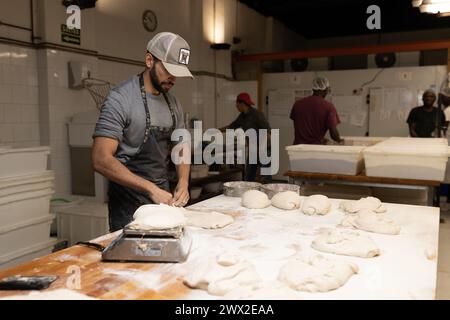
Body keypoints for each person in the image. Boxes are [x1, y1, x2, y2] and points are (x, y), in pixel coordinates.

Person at [92, 32, 193, 232]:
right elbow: (100, 158)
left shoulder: (173, 104)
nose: (172, 78)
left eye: (177, 73)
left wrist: (183, 181)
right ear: (149, 60)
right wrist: (150, 189)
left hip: (162, 197)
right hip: (127, 203)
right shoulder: (120, 98)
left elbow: (181, 145)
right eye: (168, 70)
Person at [220, 93, 271, 182]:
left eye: (237, 104)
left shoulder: (257, 114)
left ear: (242, 104)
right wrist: (217, 130)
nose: (236, 106)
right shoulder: (242, 116)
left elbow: (267, 132)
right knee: (249, 175)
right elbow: (232, 126)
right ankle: (249, 193)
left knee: (265, 176)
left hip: (264, 148)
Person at [290, 77, 343, 145]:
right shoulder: (329, 107)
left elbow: (301, 126)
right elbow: (333, 133)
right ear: (325, 89)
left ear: (313, 88)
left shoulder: (298, 104)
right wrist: (339, 140)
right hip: (315, 148)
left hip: (297, 148)